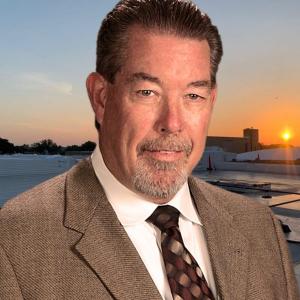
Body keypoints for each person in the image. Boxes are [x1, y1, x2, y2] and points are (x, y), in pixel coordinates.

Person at [0, 0, 298, 299]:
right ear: (101, 98)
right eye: (147, 92)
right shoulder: (13, 244)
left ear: (211, 101)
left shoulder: (261, 228)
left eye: (193, 95)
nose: (172, 123)